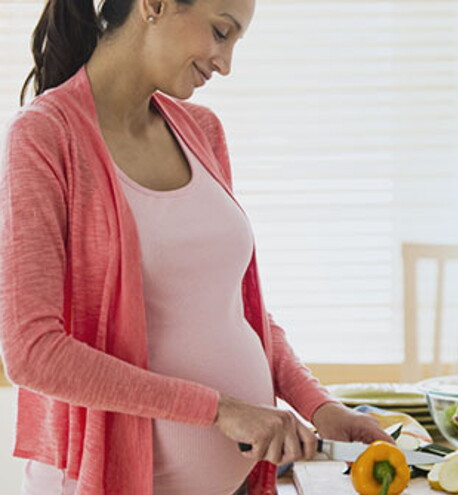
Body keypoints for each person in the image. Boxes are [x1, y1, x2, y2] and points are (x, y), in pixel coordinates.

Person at [0, 0, 393, 493]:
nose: (225, 64)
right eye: (220, 32)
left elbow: (238, 311)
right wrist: (220, 410)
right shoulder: (45, 136)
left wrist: (318, 404)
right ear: (156, 5)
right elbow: (33, 353)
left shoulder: (201, 131)